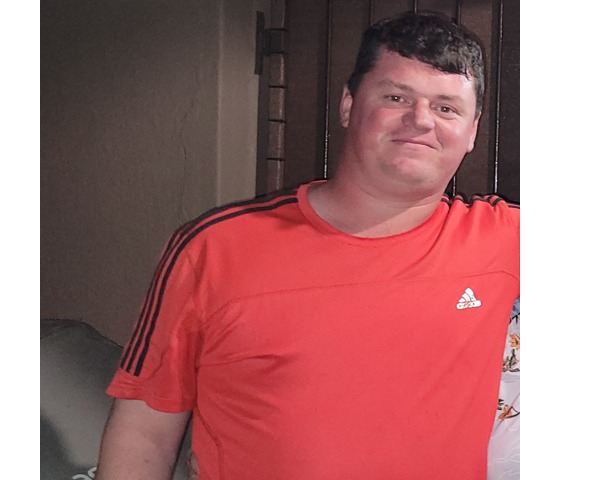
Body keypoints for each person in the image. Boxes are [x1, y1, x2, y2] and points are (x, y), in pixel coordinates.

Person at [96, 10, 519, 480]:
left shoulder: (504, 239)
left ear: (472, 130)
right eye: (396, 97)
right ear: (348, 105)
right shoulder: (213, 248)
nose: (420, 120)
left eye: (446, 108)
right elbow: (145, 431)